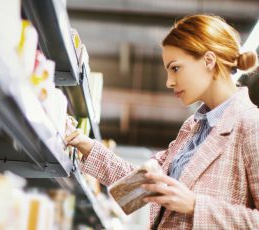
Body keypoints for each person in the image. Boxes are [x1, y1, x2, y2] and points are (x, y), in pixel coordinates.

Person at [66, 14, 259, 229]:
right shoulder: (193, 128)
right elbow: (139, 187)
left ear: (208, 60)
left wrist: (196, 205)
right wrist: (86, 145)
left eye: (175, 68)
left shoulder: (251, 125)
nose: (169, 82)